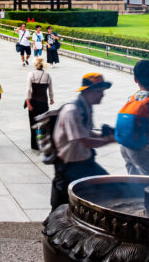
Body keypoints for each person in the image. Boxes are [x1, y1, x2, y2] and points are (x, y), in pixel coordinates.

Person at [50, 73, 117, 209]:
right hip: (68, 167)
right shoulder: (72, 111)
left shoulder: (86, 107)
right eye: (99, 91)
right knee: (61, 209)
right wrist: (109, 140)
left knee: (111, 188)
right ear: (88, 91)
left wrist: (103, 135)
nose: (102, 95)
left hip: (85, 163)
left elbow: (86, 132)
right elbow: (84, 141)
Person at [27, 57, 55, 150]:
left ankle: (34, 145)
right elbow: (50, 90)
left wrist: (28, 103)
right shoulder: (48, 75)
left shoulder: (31, 74)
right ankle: (42, 143)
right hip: (44, 103)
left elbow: (28, 90)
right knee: (43, 124)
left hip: (34, 102)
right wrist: (51, 99)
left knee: (33, 123)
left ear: (35, 65)